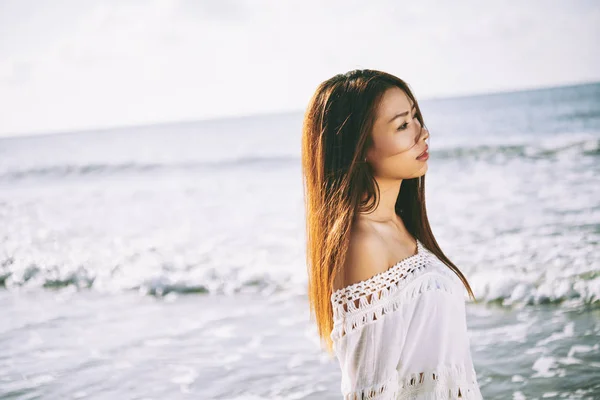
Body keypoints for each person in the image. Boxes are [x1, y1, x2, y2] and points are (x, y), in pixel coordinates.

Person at [301, 69, 483, 399]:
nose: (422, 133)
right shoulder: (364, 243)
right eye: (402, 125)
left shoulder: (399, 225)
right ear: (360, 147)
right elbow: (369, 391)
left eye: (416, 117)